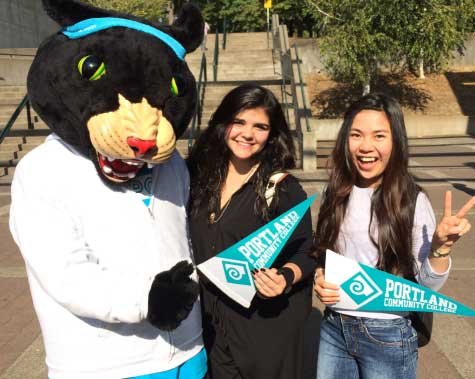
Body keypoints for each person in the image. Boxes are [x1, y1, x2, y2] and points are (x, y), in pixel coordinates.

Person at [313, 93, 475, 379]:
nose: (366, 147)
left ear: (395, 141)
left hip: (387, 335)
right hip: (335, 326)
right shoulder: (335, 193)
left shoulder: (411, 201)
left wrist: (440, 248)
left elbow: (426, 287)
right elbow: (324, 254)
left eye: (379, 136)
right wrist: (319, 277)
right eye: (356, 135)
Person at [187, 84, 316, 379]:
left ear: (271, 134)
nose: (248, 134)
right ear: (223, 123)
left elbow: (307, 249)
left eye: (260, 127)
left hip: (264, 331)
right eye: (240, 122)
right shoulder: (195, 178)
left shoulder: (281, 187)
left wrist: (285, 277)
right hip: (208, 328)